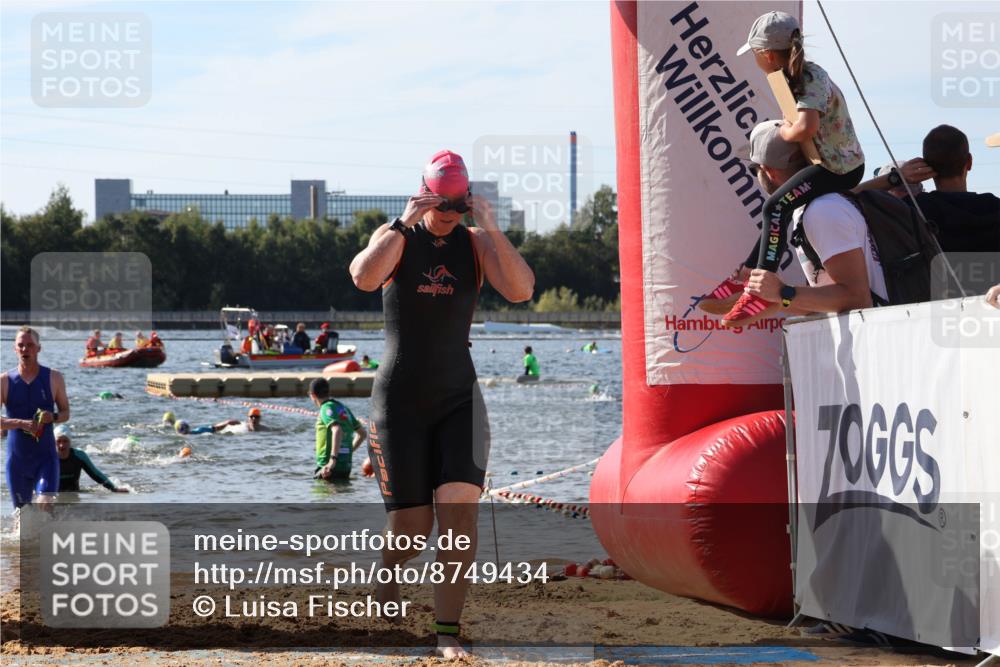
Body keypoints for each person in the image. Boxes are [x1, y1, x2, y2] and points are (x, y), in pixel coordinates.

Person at [349, 149, 534, 658]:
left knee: (459, 519)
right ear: (423, 193)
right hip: (399, 402)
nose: (449, 211)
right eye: (441, 200)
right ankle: (388, 576)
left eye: (458, 201)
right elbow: (362, 278)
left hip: (458, 400)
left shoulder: (475, 244)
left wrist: (492, 227)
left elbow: (521, 291)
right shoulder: (396, 237)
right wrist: (402, 222)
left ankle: (447, 632)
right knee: (413, 530)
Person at [698, 11, 865, 326]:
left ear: (767, 54)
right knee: (779, 209)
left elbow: (805, 128)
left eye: (755, 55)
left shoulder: (809, 77)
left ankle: (761, 289)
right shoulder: (794, 75)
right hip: (831, 163)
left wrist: (784, 132)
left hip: (839, 168)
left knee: (774, 206)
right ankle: (750, 274)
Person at [739, 121, 886, 316]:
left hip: (872, 332)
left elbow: (857, 298)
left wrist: (783, 292)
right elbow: (827, 300)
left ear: (768, 170)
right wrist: (772, 298)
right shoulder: (811, 208)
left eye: (754, 170)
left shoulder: (821, 210)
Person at [856, 125, 999, 253]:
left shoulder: (912, 210)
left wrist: (896, 177)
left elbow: (847, 197)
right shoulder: (994, 207)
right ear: (969, 162)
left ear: (927, 165)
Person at [1, 327, 71, 508]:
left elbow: (65, 413)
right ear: (15, 349)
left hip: (46, 458)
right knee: (21, 516)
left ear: (39, 348)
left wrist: (52, 416)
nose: (25, 349)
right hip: (17, 461)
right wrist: (19, 423)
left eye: (30, 345)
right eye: (21, 345)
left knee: (45, 505)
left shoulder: (54, 377)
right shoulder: (4, 381)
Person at [309, 378, 367, 481]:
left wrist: (333, 459)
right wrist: (348, 452)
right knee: (341, 491)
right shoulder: (343, 408)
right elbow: (362, 434)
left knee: (320, 490)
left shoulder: (325, 408)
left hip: (328, 467)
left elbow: (337, 430)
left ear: (312, 395)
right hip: (345, 466)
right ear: (328, 392)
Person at [52, 425, 129, 493]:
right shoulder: (49, 458)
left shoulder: (79, 456)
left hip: (74, 495)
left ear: (70, 442)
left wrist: (114, 489)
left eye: (65, 441)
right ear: (53, 442)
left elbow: (95, 474)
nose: (62, 445)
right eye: (58, 441)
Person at [175, 418, 240, 435]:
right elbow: (215, 428)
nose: (184, 429)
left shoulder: (199, 430)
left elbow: (215, 428)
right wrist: (227, 422)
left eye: (185, 427)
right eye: (182, 428)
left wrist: (227, 422)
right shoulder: (198, 431)